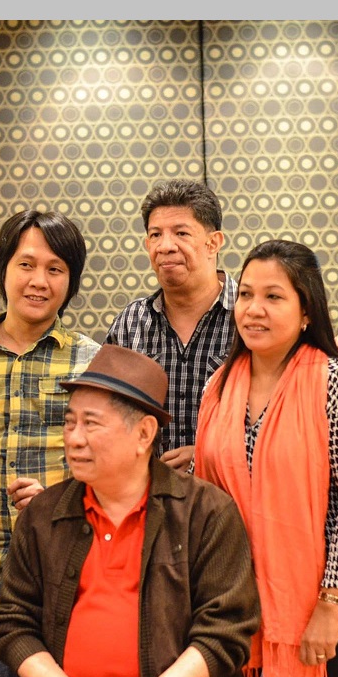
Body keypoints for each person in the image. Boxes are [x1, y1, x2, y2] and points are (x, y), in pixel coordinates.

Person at [0, 344, 261, 677]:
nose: (74, 439)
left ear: (144, 434)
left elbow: (226, 630)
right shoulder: (43, 515)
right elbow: (13, 620)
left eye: (91, 424)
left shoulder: (206, 513)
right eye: (69, 422)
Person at [194, 240, 338, 677]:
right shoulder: (219, 386)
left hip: (329, 602)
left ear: (306, 313)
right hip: (236, 603)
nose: (254, 309)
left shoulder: (337, 382)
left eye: (273, 296)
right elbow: (204, 496)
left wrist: (329, 606)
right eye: (246, 294)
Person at [0, 209, 99, 677]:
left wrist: (57, 501)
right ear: (3, 268)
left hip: (70, 581)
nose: (39, 281)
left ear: (71, 281)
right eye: (26, 264)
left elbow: (115, 478)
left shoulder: (92, 362)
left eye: (55, 269)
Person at [104, 178, 236, 473]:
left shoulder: (249, 316)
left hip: (231, 492)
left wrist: (207, 454)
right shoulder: (131, 323)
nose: (165, 246)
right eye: (155, 235)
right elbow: (107, 416)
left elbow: (280, 419)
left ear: (213, 243)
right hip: (148, 494)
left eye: (181, 233)